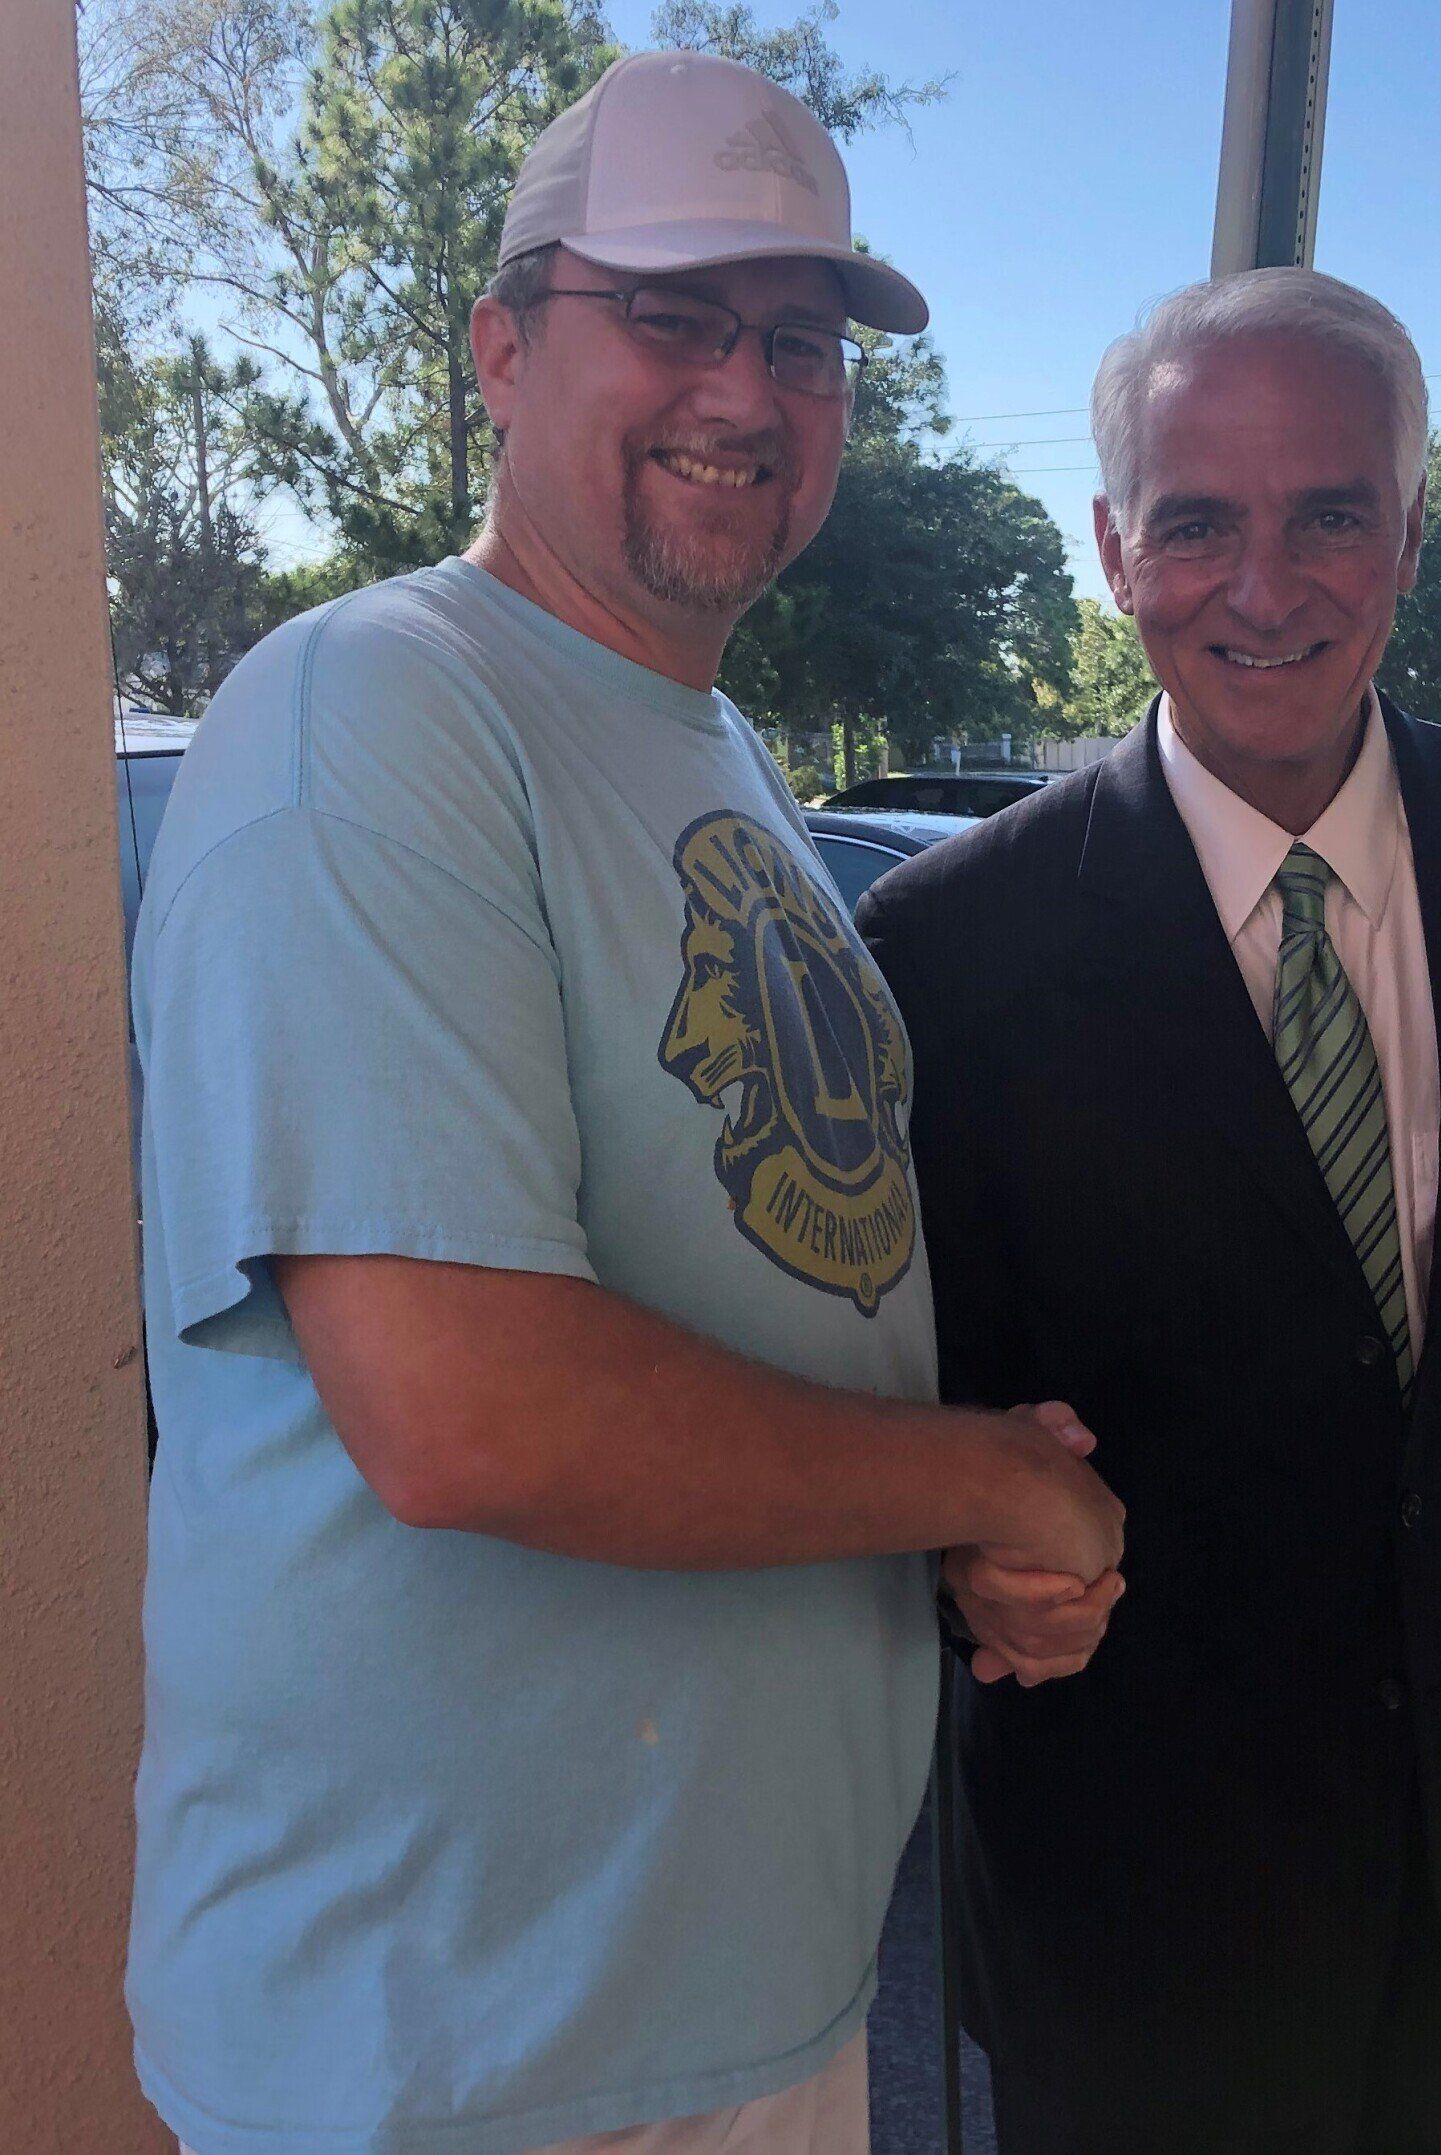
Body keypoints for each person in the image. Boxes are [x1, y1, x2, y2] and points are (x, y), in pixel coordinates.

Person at [125, 50, 1121, 2155]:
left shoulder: (714, 745)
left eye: (799, 340)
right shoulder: (372, 704)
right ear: (502, 346)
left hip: (722, 2006)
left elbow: (773, 1297)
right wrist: (975, 1486)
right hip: (459, 2050)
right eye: (670, 313)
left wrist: (947, 1525)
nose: (746, 393)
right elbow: (467, 1402)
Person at [855, 268, 1441, 2155]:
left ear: (1411, 532)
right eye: (1198, 522)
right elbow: (925, 1420)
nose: (1262, 588)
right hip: (1148, 1915)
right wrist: (964, 1565)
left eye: (1328, 514)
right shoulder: (950, 947)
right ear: (1117, 549)